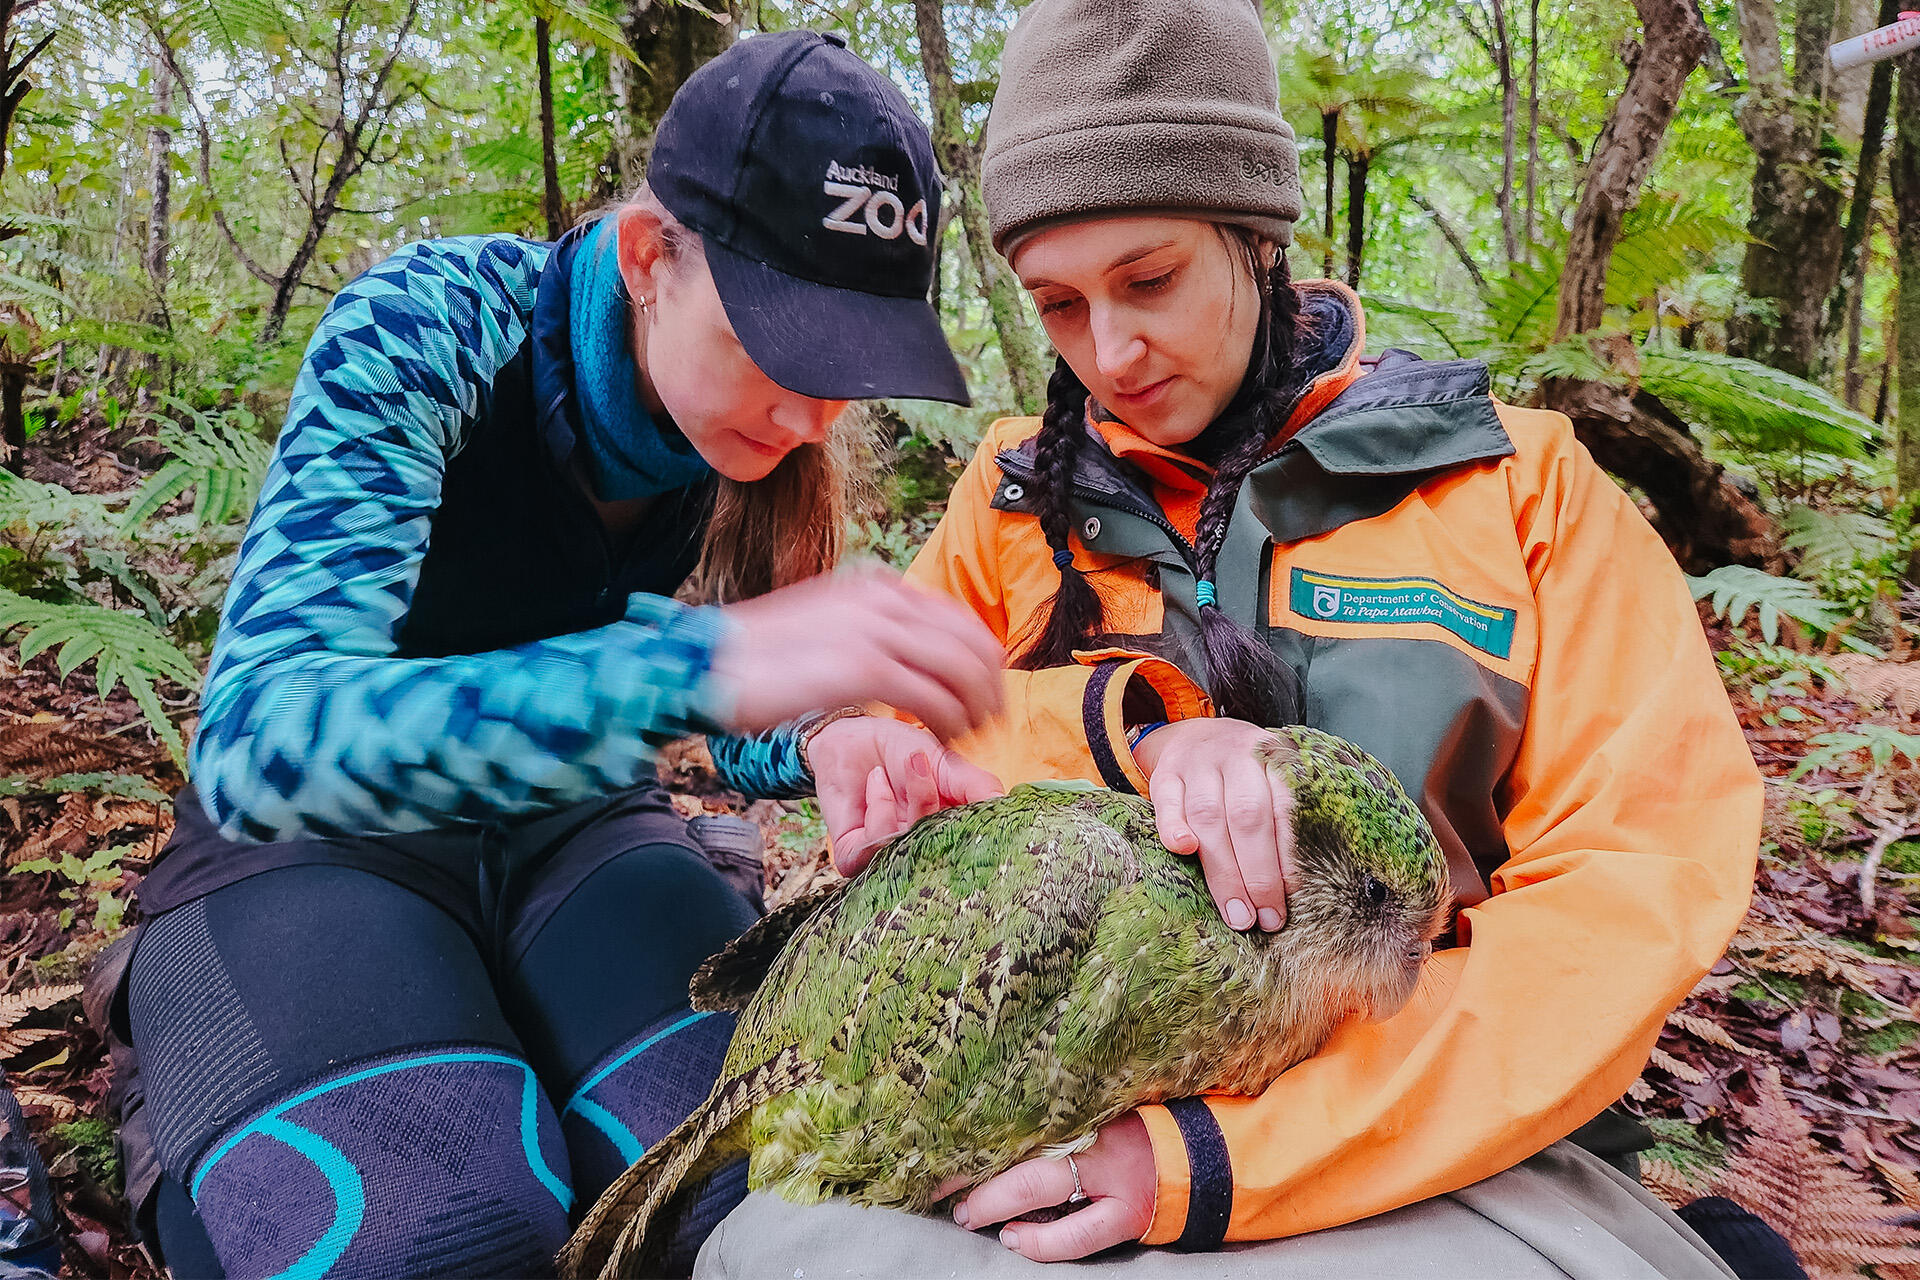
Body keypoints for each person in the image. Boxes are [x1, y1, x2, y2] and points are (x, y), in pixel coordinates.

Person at [705, 1, 1766, 1276]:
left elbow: (1628, 898)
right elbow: (910, 754)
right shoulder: (1007, 499)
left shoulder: (1521, 490)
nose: (1112, 351)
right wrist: (1101, 732)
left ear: (1257, 234)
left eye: (1149, 280)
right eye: (1056, 304)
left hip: (1420, 1140)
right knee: (771, 1251)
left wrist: (1218, 1160)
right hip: (1040, 1103)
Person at [99, 30, 1006, 1280]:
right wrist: (696, 669)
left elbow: (711, 678)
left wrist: (825, 729)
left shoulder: (738, 435)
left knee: (757, 1189)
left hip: (578, 830)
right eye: (783, 347)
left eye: (847, 368)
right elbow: (263, 741)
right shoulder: (427, 330)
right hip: (319, 841)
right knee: (421, 1236)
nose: (814, 417)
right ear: (650, 259)